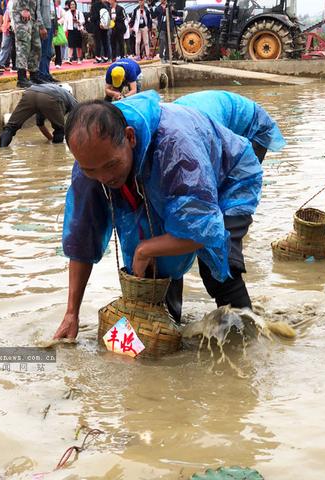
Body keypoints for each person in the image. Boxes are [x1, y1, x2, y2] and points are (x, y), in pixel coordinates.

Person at [53, 90, 271, 339]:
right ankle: (171, 329)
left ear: (130, 137)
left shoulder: (176, 149)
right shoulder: (91, 163)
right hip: (190, 133)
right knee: (155, 262)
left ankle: (247, 342)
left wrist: (145, 249)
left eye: (112, 165)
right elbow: (83, 238)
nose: (104, 178)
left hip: (234, 153)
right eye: (92, 170)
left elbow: (203, 232)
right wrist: (72, 313)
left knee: (217, 263)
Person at [173, 90, 286, 162]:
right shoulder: (170, 121)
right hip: (219, 112)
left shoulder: (205, 130)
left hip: (253, 124)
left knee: (241, 181)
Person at [0, 83, 78, 147]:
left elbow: (40, 124)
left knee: (10, 127)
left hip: (30, 92)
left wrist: (50, 139)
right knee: (59, 129)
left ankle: (1, 154)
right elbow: (80, 116)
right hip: (50, 96)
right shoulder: (69, 97)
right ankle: (58, 154)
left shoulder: (52, 89)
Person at [13, 0, 46, 88]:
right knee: (23, 45)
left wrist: (40, 24)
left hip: (33, 15)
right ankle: (21, 78)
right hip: (22, 13)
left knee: (36, 46)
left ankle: (34, 75)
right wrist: (24, 8)